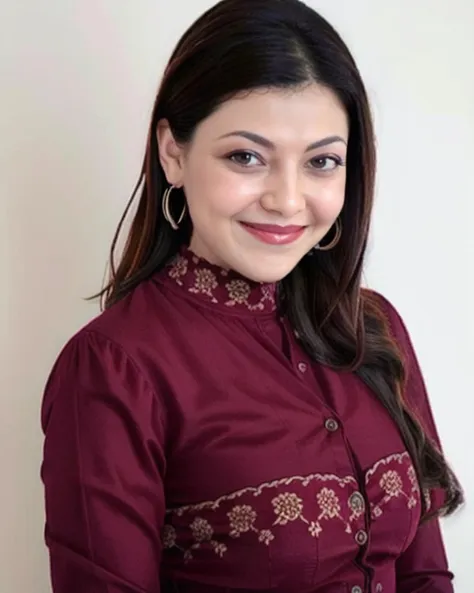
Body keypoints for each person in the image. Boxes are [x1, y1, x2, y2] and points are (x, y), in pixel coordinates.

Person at [40, 0, 463, 591]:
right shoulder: (114, 370)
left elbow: (425, 576)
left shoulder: (374, 328)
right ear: (173, 152)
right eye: (247, 156)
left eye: (321, 161)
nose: (288, 200)